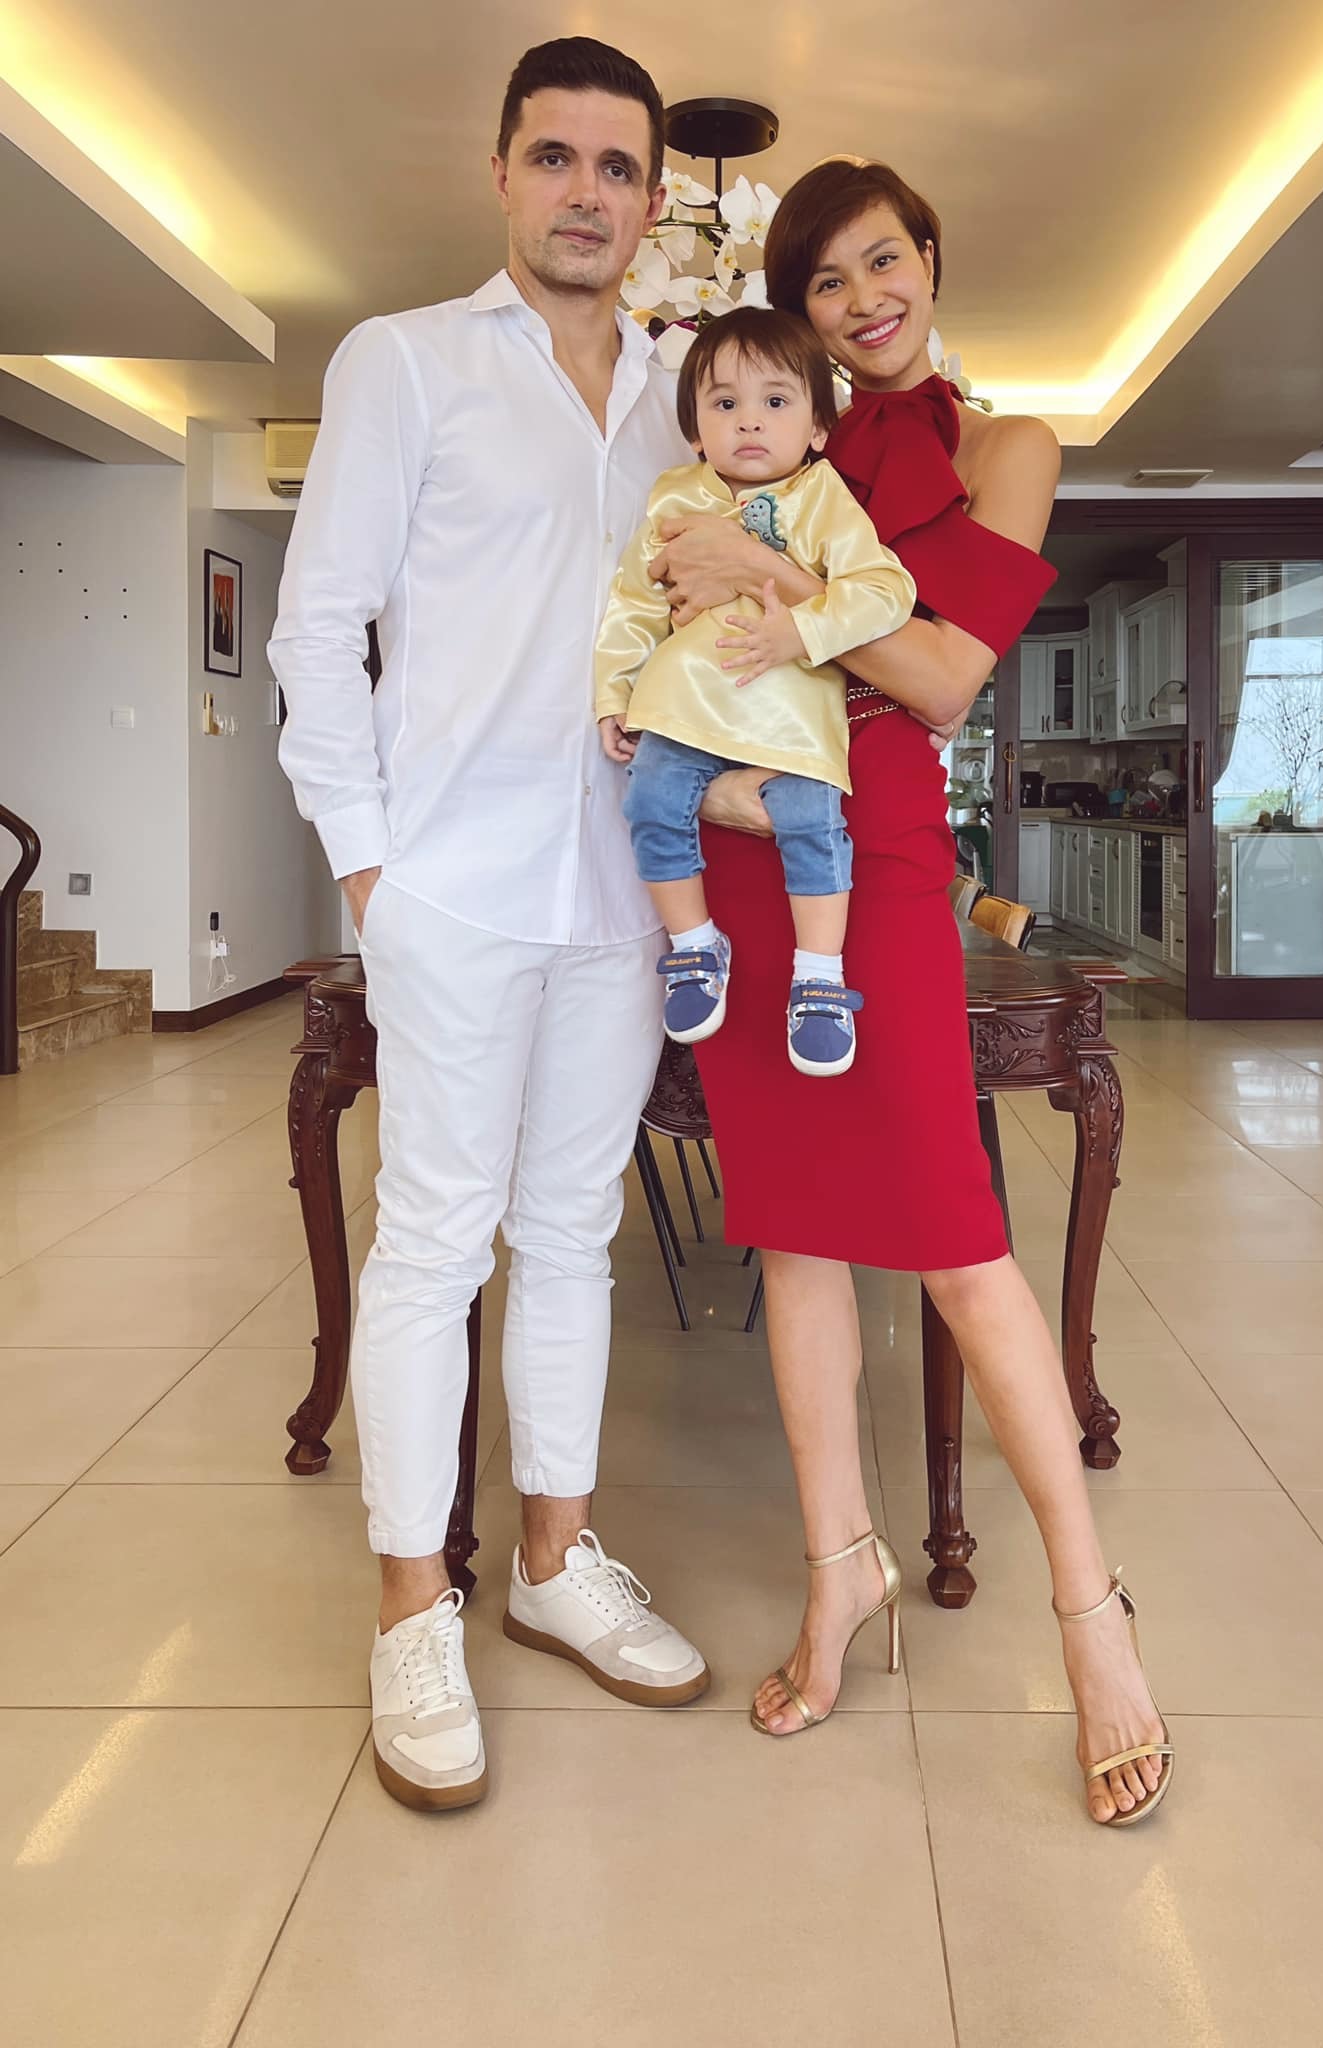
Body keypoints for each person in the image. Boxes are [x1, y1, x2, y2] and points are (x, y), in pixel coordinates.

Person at [655, 159, 1175, 1826]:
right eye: (824, 282)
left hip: (871, 849)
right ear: (796, 315)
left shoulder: (1006, 446)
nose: (863, 299)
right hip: (741, 836)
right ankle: (840, 1572)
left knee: (956, 1237)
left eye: (883, 261)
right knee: (790, 1225)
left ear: (931, 260)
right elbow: (667, 621)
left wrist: (765, 579)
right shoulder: (772, 444)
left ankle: (1091, 1611)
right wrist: (742, 591)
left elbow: (944, 675)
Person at [270, 37, 710, 1815]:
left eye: (618, 166)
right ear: (503, 172)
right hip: (451, 887)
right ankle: (410, 1613)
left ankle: (553, 1559)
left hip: (627, 892)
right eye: (555, 157)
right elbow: (320, 625)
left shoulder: (691, 398)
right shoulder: (405, 361)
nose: (586, 192)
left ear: (657, 198)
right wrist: (371, 872)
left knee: (573, 1237)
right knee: (433, 1249)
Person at [594, 307, 915, 1075]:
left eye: (775, 400)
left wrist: (802, 630)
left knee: (813, 823)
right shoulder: (673, 499)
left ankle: (820, 977)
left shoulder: (824, 498)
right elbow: (634, 603)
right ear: (695, 430)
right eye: (724, 402)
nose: (749, 420)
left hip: (791, 712)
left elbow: (886, 590)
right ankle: (694, 945)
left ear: (817, 427)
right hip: (685, 705)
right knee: (648, 802)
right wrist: (614, 692)